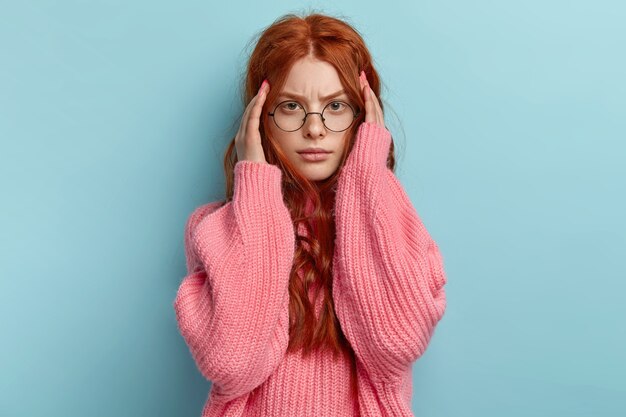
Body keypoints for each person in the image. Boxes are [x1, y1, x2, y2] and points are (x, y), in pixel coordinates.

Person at [173, 11, 448, 417]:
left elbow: (397, 344)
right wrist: (257, 187)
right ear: (260, 118)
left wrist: (366, 176)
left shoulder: (398, 227)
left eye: (336, 106)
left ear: (363, 117)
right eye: (290, 106)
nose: (315, 129)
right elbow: (231, 364)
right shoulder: (213, 230)